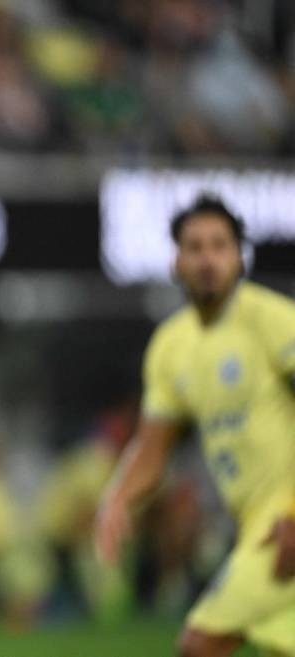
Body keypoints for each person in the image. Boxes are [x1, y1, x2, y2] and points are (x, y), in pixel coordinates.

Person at [94, 195, 295, 657]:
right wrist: (118, 497)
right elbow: (151, 449)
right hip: (254, 523)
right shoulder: (170, 346)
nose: (208, 260)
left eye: (220, 246)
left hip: (282, 522)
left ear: (239, 258)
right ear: (176, 261)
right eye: (196, 247)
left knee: (199, 645)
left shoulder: (272, 320)